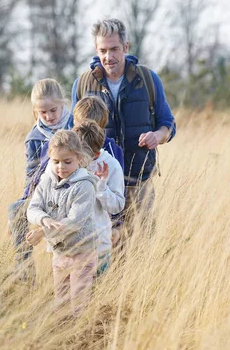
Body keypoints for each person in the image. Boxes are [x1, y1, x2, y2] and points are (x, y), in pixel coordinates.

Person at [71, 18, 176, 221]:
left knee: (141, 247)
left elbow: (168, 123)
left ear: (125, 47)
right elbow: (72, 134)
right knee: (102, 247)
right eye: (102, 51)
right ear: (96, 49)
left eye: (114, 49)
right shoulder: (82, 83)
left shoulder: (148, 79)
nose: (108, 57)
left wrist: (157, 136)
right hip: (97, 184)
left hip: (139, 183)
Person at [26, 130, 98, 312]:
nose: (61, 167)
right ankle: (63, 335)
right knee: (61, 299)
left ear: (79, 158)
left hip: (82, 251)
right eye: (56, 161)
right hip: (59, 252)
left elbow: (75, 221)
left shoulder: (84, 185)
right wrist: (43, 219)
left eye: (67, 162)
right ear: (49, 158)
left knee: (79, 300)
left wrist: (44, 231)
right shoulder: (46, 181)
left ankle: (81, 335)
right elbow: (33, 208)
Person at [8, 78, 73, 280]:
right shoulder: (34, 137)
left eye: (53, 110)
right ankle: (24, 273)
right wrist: (25, 202)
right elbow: (32, 175)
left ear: (62, 103)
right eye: (42, 112)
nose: (49, 116)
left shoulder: (74, 126)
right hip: (45, 193)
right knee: (16, 210)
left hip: (75, 188)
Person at [73, 119, 125, 274]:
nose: (77, 160)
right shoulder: (69, 161)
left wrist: (101, 187)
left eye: (80, 157)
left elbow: (117, 205)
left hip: (99, 244)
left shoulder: (112, 165)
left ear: (95, 153)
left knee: (98, 289)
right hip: (72, 245)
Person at [73, 95, 124, 245]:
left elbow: (118, 189)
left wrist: (116, 224)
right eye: (80, 126)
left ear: (100, 128)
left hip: (102, 224)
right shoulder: (68, 146)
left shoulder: (112, 152)